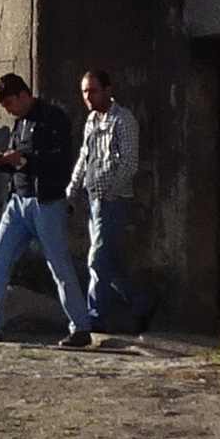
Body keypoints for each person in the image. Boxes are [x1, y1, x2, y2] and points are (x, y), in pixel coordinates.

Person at [0, 69, 89, 348]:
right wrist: (3, 161)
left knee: (59, 265)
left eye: (10, 103)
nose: (9, 110)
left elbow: (59, 160)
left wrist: (23, 160)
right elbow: (18, 161)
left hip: (47, 202)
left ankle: (81, 327)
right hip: (17, 202)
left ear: (23, 95)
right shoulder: (19, 123)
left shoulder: (54, 118)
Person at [67, 64, 142, 334]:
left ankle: (95, 316)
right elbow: (84, 157)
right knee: (111, 262)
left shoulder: (123, 120)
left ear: (108, 90)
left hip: (113, 200)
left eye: (93, 91)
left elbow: (129, 163)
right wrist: (72, 189)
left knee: (97, 259)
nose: (88, 97)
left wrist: (111, 192)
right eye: (85, 92)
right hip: (93, 199)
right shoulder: (91, 121)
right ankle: (141, 303)